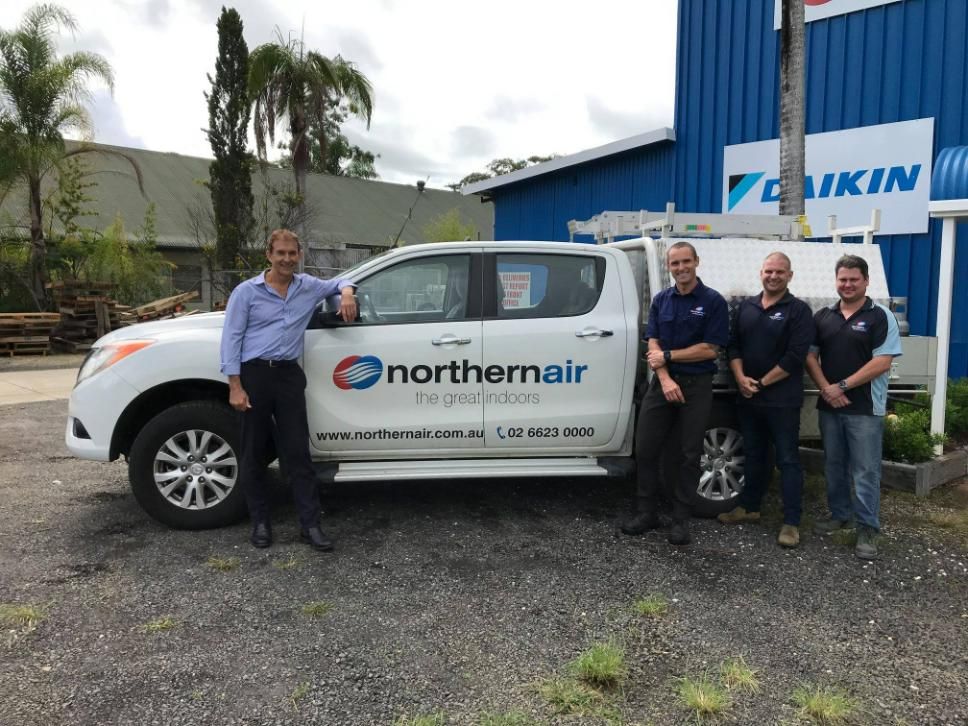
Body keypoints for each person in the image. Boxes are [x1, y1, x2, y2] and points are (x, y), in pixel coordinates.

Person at [219, 229, 357, 552]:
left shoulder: (307, 287)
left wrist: (347, 292)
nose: (286, 259)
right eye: (280, 253)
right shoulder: (246, 293)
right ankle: (261, 523)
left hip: (288, 376)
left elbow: (341, 281)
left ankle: (310, 525)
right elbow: (231, 340)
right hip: (254, 376)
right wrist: (235, 386)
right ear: (268, 254)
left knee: (297, 454)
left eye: (292, 253)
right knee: (253, 453)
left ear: (299, 256)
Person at [621, 241, 729, 545]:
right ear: (668, 267)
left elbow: (710, 349)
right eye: (675, 264)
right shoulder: (661, 300)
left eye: (685, 262)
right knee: (645, 449)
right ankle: (647, 512)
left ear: (697, 261)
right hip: (663, 384)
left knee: (688, 453)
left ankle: (681, 519)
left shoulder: (713, 302)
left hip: (696, 387)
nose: (681, 268)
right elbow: (652, 342)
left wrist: (668, 357)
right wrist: (665, 378)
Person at [806, 254, 902, 560]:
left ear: (866, 281)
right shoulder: (823, 316)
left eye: (853, 279)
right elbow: (810, 356)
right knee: (834, 465)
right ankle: (840, 515)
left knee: (865, 470)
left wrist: (842, 386)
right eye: (842, 279)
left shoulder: (880, 316)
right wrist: (826, 389)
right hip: (829, 405)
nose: (847, 285)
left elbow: (882, 362)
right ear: (836, 281)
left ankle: (867, 529)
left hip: (865, 408)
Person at [718, 252, 814, 547]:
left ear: (790, 276)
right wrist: (741, 378)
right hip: (748, 396)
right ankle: (749, 507)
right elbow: (732, 346)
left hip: (782, 400)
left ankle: (791, 522)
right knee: (754, 455)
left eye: (780, 272)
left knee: (787, 460)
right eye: (769, 271)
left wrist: (761, 383)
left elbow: (796, 356)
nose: (773, 276)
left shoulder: (798, 310)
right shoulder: (747, 306)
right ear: (761, 272)